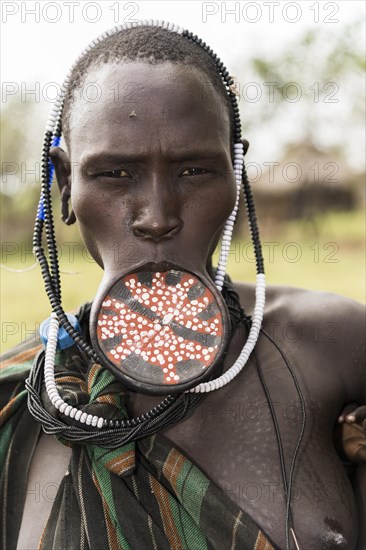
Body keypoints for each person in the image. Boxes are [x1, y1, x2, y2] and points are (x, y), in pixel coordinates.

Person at [1, 22, 365, 550]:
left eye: (194, 171)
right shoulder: (18, 401)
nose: (157, 216)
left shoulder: (337, 348)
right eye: (115, 174)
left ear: (235, 177)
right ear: (64, 184)